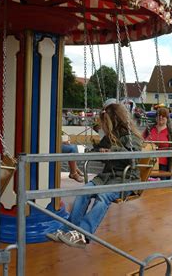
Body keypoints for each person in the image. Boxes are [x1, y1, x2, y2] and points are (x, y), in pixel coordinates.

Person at [46, 103, 143, 248]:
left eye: (105, 122)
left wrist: (112, 152)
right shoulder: (110, 136)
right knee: (83, 191)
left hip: (125, 179)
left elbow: (134, 158)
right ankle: (68, 230)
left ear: (114, 120)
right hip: (107, 178)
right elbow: (97, 151)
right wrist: (94, 152)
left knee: (102, 197)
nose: (103, 126)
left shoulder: (130, 136)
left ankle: (83, 235)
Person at [143, 107, 172, 175]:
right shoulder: (149, 128)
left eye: (163, 116)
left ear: (167, 118)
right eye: (159, 115)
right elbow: (141, 141)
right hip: (148, 162)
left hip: (163, 164)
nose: (161, 117)